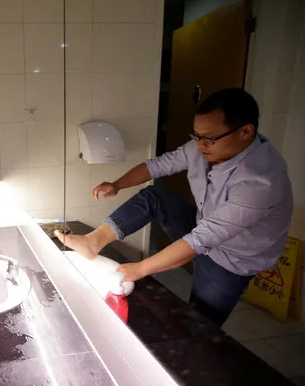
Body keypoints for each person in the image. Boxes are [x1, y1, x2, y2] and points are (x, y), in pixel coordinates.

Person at [55, 88, 292, 327]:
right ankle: (93, 241)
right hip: (205, 225)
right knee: (156, 195)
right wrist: (117, 184)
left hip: (233, 259)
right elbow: (159, 165)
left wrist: (139, 269)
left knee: (197, 326)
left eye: (208, 138)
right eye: (196, 136)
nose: (200, 145)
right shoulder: (204, 146)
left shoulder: (261, 182)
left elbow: (202, 239)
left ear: (245, 131)